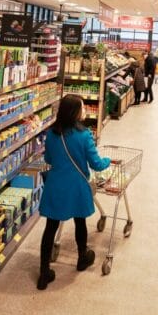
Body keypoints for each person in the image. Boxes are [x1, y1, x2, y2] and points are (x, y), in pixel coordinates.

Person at [36, 94, 111, 290]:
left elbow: (50, 159)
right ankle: (81, 258)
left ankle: (44, 273)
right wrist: (108, 161)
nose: (85, 111)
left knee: (50, 228)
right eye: (83, 108)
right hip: (77, 186)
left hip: (56, 186)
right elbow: (96, 164)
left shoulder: (52, 134)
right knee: (80, 222)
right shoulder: (84, 135)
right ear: (75, 112)